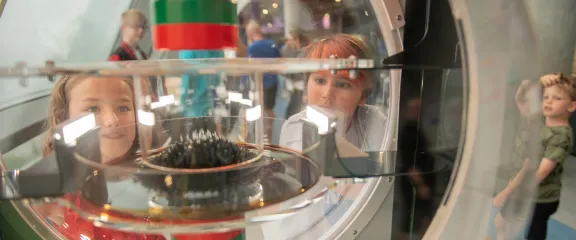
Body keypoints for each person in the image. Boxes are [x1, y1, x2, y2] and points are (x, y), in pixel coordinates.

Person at [261, 34, 387, 239]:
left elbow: (376, 187)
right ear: (306, 86)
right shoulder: (297, 125)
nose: (327, 93)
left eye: (343, 84)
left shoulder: (373, 121)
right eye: (319, 80)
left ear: (363, 96)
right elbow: (350, 183)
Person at [39, 75, 166, 240]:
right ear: (60, 120)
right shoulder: (48, 198)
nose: (112, 121)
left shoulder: (155, 178)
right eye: (92, 109)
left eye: (123, 108)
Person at [492, 73, 575, 240]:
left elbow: (538, 172)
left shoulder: (560, 135)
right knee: (500, 222)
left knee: (532, 233)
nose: (549, 101)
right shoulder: (542, 122)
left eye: (557, 98)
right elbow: (520, 100)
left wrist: (508, 191)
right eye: (546, 97)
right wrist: (536, 83)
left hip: (541, 197)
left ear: (572, 106)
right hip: (526, 188)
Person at [245, 20, 281, 140]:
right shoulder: (273, 44)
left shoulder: (252, 47)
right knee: (269, 111)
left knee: (256, 110)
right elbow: (279, 64)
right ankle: (268, 139)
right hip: (272, 83)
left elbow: (249, 69)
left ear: (251, 33)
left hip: (258, 84)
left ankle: (256, 138)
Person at [281, 29, 309, 118]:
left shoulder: (304, 52)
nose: (288, 42)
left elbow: (305, 72)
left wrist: (306, 92)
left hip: (301, 88)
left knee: (294, 113)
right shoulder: (295, 51)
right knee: (292, 112)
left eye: (290, 39)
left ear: (296, 40)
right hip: (296, 87)